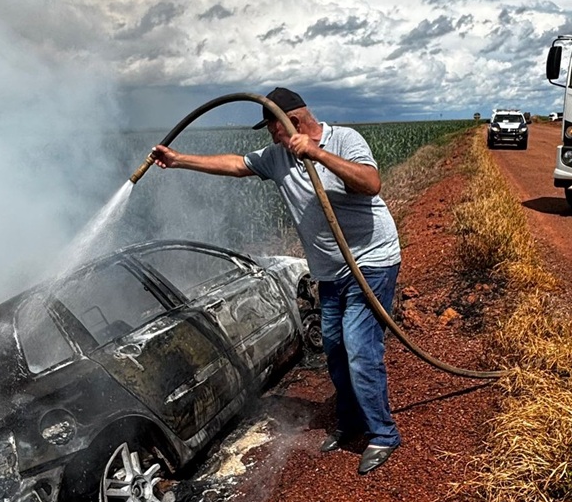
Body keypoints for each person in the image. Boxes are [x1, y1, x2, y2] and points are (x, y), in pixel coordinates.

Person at [147, 87, 402, 476]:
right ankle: (351, 422)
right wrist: (179, 160)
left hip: (370, 261)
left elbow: (370, 183)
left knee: (359, 347)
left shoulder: (345, 140)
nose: (271, 138)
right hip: (330, 271)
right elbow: (235, 164)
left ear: (292, 123)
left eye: (272, 129)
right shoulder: (277, 157)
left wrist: (317, 154)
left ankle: (382, 433)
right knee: (334, 349)